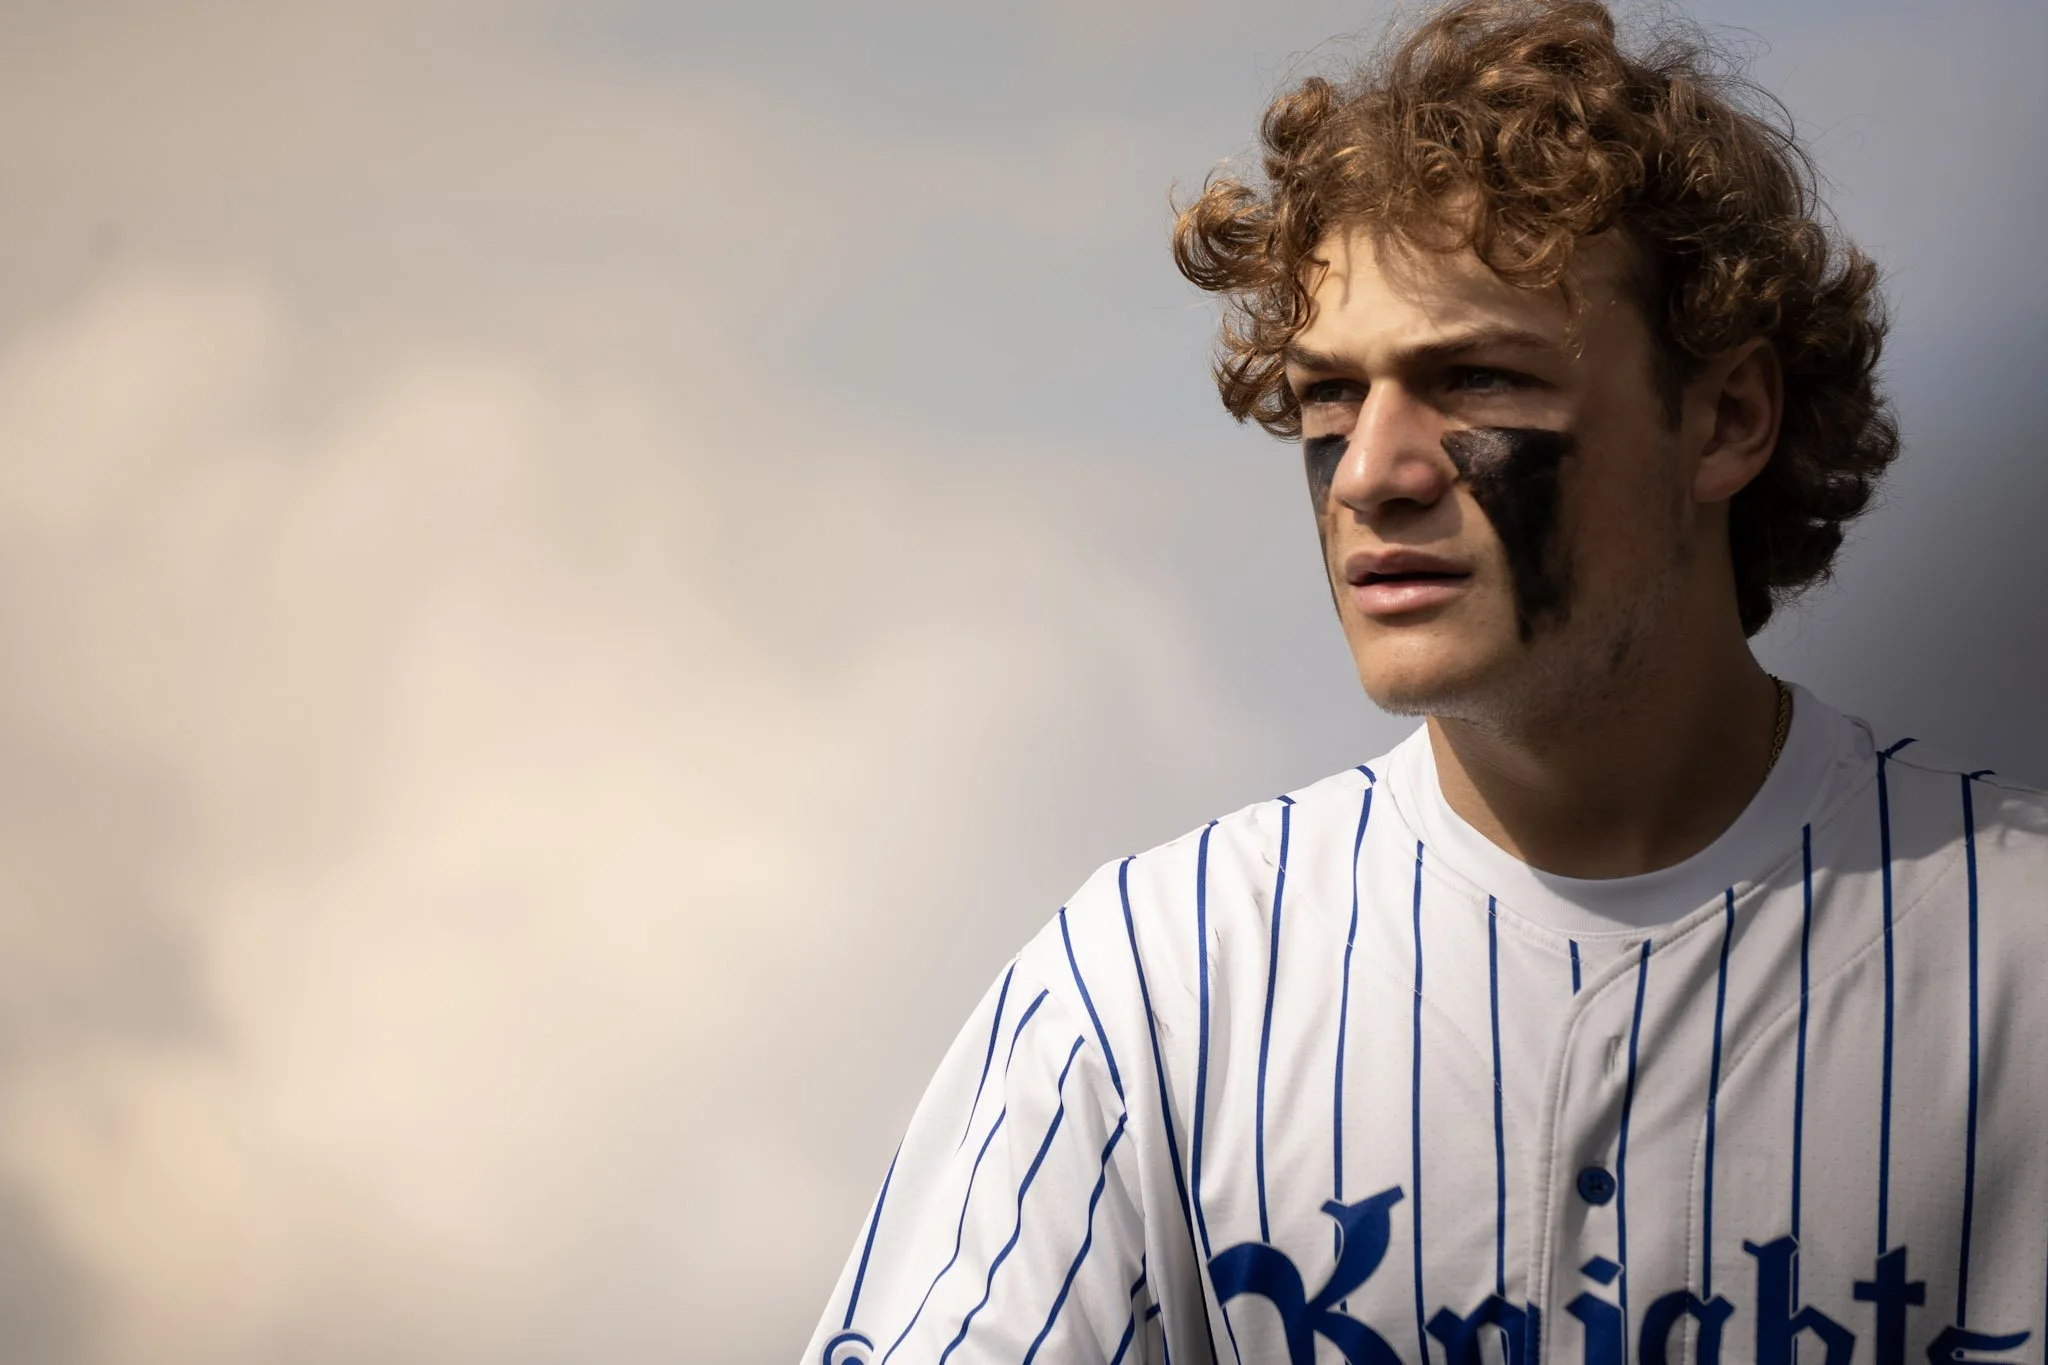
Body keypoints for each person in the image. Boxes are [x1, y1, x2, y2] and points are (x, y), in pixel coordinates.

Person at [802, 2, 2048, 1361]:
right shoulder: (1150, 991)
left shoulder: (2021, 962)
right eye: (1327, 398)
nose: (1371, 474)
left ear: (1727, 418)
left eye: (1477, 379)